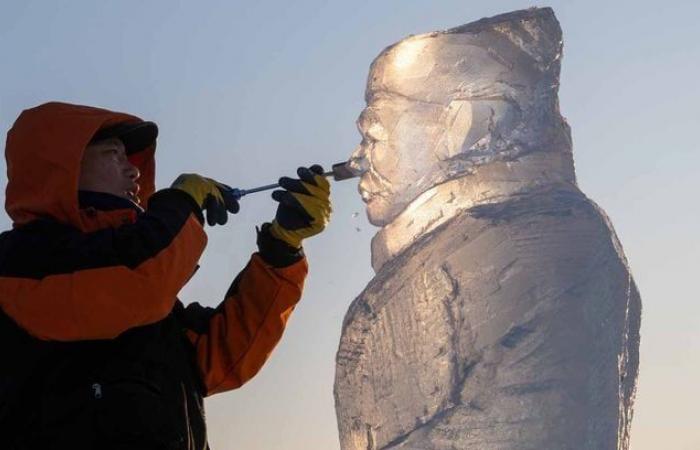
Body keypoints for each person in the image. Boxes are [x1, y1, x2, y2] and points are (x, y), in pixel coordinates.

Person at [335, 8, 640, 449]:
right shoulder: (461, 244)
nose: (357, 159)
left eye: (374, 134)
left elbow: (525, 429)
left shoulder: (545, 246)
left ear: (468, 125)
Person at [0, 101, 331, 449]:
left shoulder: (139, 291)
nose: (134, 172)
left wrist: (282, 247)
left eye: (131, 158)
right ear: (61, 168)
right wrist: (180, 203)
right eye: (114, 154)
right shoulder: (22, 260)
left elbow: (222, 356)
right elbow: (139, 280)